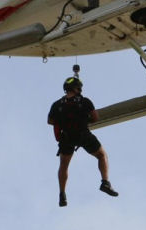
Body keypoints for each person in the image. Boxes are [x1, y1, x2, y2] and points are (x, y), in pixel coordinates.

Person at [48, 76, 118, 207]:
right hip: (83, 135)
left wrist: (64, 121)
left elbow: (50, 121)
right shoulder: (85, 101)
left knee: (64, 165)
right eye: (78, 87)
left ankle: (62, 193)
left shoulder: (57, 105)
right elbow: (95, 118)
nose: (80, 89)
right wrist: (84, 119)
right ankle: (105, 182)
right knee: (102, 155)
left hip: (66, 138)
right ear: (74, 88)